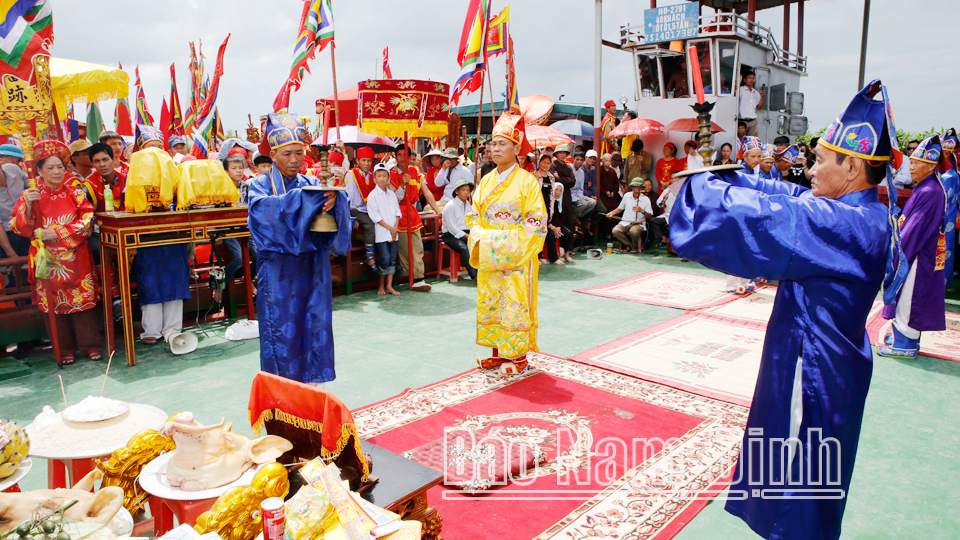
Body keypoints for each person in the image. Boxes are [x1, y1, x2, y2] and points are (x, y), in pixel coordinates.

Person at [672, 79, 903, 540]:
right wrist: (735, 174)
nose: (809, 170)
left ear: (853, 167)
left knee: (795, 484)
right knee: (804, 479)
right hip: (825, 361)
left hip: (811, 370)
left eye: (819, 161)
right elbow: (786, 195)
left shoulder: (841, 222)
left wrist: (699, 185)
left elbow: (762, 217)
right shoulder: (864, 212)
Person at [248, 113, 351, 387]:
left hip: (313, 269)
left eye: (299, 153)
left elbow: (334, 228)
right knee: (281, 333)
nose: (294, 160)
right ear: (272, 154)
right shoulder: (259, 185)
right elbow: (265, 215)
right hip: (280, 273)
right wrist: (309, 199)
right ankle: (284, 401)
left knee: (315, 325)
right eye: (286, 154)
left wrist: (334, 199)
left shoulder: (309, 183)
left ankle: (315, 395)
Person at [466, 114, 547, 375]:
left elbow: (536, 222)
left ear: (516, 148)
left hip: (516, 259)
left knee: (514, 304)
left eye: (502, 144)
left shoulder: (528, 182)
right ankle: (500, 353)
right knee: (492, 302)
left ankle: (519, 358)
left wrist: (498, 243)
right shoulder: (487, 180)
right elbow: (473, 216)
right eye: (493, 144)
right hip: (491, 256)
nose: (495, 149)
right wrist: (482, 237)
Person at [10, 140, 102, 364]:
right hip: (46, 259)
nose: (56, 171)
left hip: (75, 256)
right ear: (39, 170)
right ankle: (64, 350)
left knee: (82, 302)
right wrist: (30, 207)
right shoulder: (29, 195)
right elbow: (18, 227)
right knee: (53, 304)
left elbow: (88, 221)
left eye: (60, 166)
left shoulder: (75, 192)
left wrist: (58, 233)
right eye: (49, 167)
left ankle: (90, 346)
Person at [877, 134, 947, 358]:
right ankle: (906, 339)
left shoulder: (929, 191)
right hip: (919, 251)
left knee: (909, 295)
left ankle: (905, 343)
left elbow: (914, 229)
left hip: (917, 254)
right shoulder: (928, 187)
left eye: (916, 163)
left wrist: (897, 252)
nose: (912, 167)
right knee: (911, 295)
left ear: (930, 166)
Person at [128, 126, 193, 346]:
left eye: (158, 147)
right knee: (150, 281)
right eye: (149, 149)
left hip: (172, 234)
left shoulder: (174, 172)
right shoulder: (134, 174)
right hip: (146, 237)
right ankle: (152, 330)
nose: (155, 153)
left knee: (176, 280)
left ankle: (173, 329)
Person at [390, 146, 441, 292]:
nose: (401, 158)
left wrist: (438, 210)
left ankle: (418, 278)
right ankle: (415, 278)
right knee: (404, 248)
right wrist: (403, 184)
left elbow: (426, 192)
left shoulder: (415, 172)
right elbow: (393, 198)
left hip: (412, 213)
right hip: (397, 214)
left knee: (417, 247)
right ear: (395, 156)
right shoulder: (390, 173)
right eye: (399, 154)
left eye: (404, 155)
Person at [367, 163, 401, 296]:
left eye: (384, 176)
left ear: (388, 177)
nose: (381, 178)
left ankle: (389, 286)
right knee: (385, 259)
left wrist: (395, 229)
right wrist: (391, 229)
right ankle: (381, 286)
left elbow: (397, 212)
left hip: (394, 232)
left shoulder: (392, 194)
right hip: (382, 233)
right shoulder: (372, 195)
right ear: (374, 177)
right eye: (379, 175)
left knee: (392, 258)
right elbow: (375, 217)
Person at [344, 146, 378, 268]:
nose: (367, 163)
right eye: (363, 160)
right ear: (357, 161)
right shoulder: (351, 175)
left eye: (369, 160)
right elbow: (349, 196)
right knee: (370, 225)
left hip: (371, 209)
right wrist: (352, 217)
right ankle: (370, 258)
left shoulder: (374, 175)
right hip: (357, 210)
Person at [440, 178, 477, 280]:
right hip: (450, 235)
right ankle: (475, 276)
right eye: (463, 190)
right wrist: (467, 236)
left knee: (480, 244)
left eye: (468, 190)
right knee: (464, 249)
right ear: (456, 191)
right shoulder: (450, 206)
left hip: (464, 233)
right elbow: (452, 228)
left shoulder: (468, 205)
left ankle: (483, 272)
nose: (466, 193)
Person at [607, 178, 652, 253]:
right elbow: (620, 208)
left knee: (633, 231)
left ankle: (633, 246)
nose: (635, 189)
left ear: (641, 188)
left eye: (638, 187)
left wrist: (642, 211)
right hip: (625, 222)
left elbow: (650, 216)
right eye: (634, 186)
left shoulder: (646, 199)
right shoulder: (627, 196)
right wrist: (611, 213)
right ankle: (629, 245)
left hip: (639, 224)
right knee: (615, 231)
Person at [0, 146, 28, 262]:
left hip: (29, 225)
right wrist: (11, 253)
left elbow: (34, 187)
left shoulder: (13, 169)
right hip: (6, 235)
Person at [940, 129, 959, 287]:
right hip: (950, 215)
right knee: (947, 249)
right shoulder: (952, 174)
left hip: (944, 215)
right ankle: (945, 282)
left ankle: (941, 283)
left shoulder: (947, 175)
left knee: (942, 249)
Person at [738, 71, 765, 136]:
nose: (751, 80)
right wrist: (738, 82)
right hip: (742, 121)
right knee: (741, 139)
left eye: (753, 78)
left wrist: (762, 96)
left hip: (753, 121)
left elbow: (759, 107)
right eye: (749, 78)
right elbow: (735, 96)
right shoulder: (741, 90)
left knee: (750, 141)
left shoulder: (756, 93)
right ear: (745, 79)